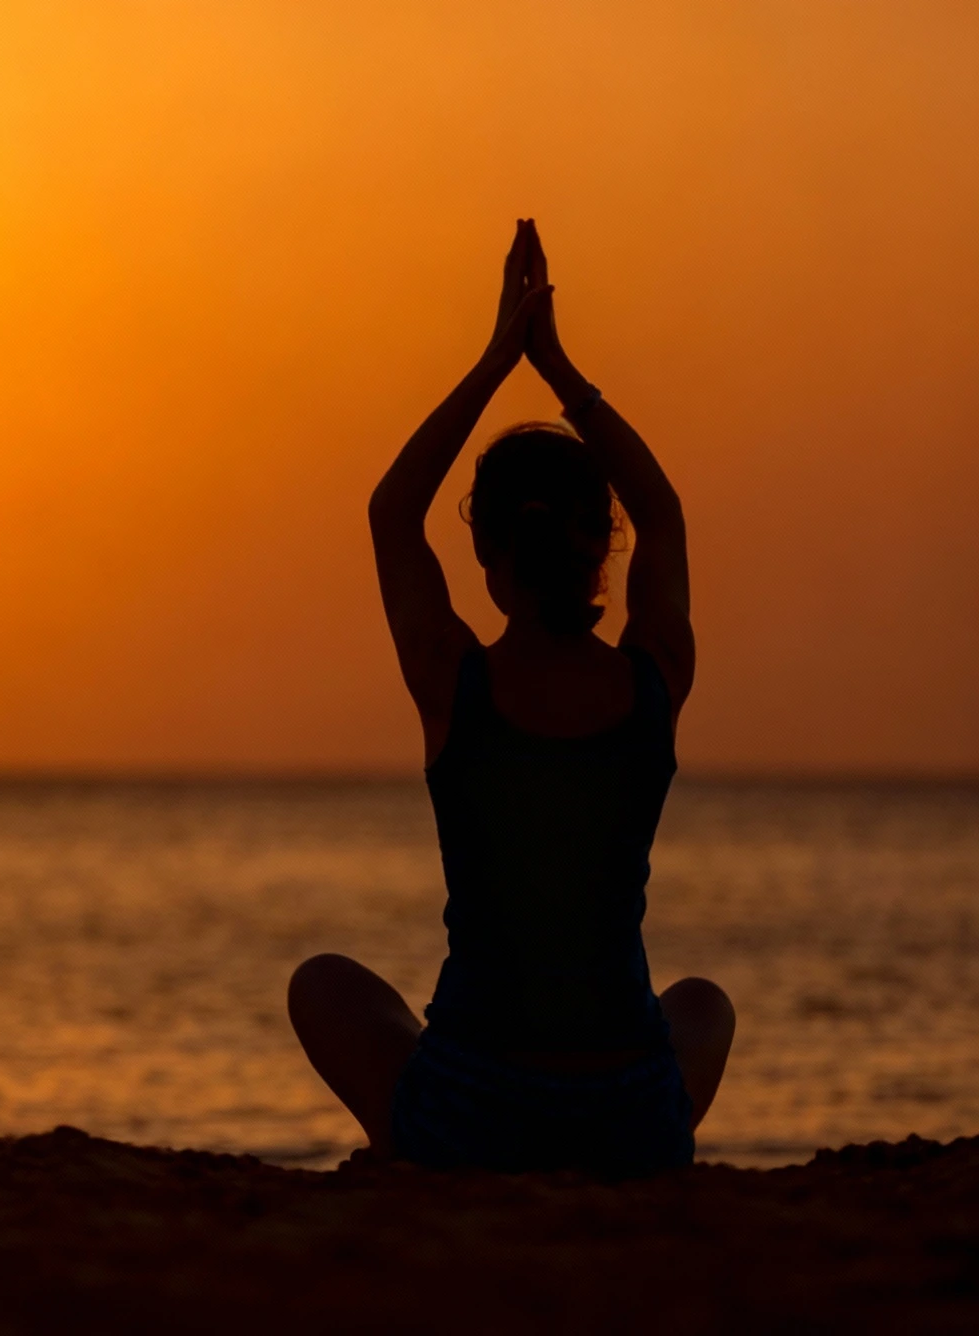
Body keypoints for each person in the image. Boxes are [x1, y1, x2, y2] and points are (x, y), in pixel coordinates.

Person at [288, 220, 735, 1175]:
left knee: (323, 983)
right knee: (704, 1005)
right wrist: (560, 371)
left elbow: (391, 511)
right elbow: (663, 509)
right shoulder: (655, 673)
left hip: (472, 1114)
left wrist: (498, 357)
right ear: (603, 547)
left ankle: (412, 1151)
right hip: (628, 1121)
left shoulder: (453, 681)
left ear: (488, 552)